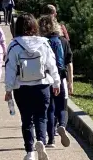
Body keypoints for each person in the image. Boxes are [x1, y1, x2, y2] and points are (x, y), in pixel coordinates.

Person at [4, 13, 61, 160]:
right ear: (34, 26)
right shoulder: (43, 43)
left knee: (26, 119)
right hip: (42, 86)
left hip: (21, 88)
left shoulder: (14, 45)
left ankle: (30, 152)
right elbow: (52, 64)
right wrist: (56, 82)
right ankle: (41, 141)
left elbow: (10, 68)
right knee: (41, 117)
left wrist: (8, 89)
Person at [39, 15, 72, 149]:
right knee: (62, 107)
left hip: (46, 79)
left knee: (49, 109)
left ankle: (51, 140)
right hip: (61, 77)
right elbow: (68, 62)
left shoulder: (41, 42)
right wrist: (71, 81)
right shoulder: (63, 41)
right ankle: (62, 126)